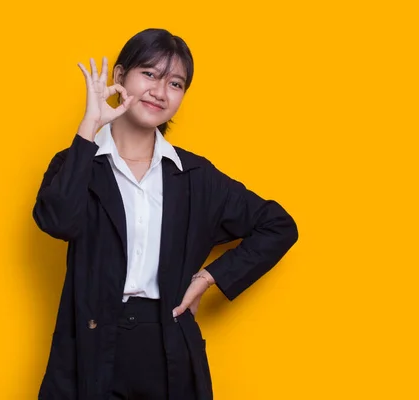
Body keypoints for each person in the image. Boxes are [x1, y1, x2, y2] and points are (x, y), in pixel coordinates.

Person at [32, 28, 298, 400]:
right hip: (90, 345)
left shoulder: (195, 176)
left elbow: (278, 225)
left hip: (167, 346)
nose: (160, 91)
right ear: (121, 76)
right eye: (150, 74)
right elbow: (57, 221)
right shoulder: (78, 162)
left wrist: (209, 277)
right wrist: (89, 129)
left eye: (175, 83)